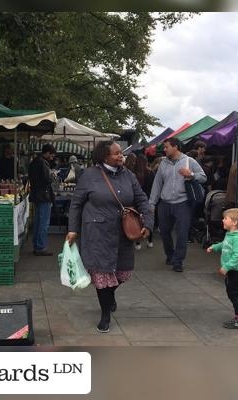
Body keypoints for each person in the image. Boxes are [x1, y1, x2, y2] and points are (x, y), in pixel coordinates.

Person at [66, 141, 153, 333]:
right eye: (116, 153)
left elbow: (142, 199)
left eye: (121, 153)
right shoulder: (89, 175)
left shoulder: (128, 175)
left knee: (123, 273)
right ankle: (105, 314)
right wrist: (73, 229)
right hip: (97, 234)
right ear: (104, 156)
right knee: (102, 274)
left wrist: (147, 223)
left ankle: (110, 294)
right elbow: (76, 204)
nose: (121, 156)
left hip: (124, 233)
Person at [149, 138, 206, 272]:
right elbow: (157, 184)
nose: (164, 149)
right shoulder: (163, 163)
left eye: (167, 147)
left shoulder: (189, 161)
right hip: (165, 203)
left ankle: (178, 261)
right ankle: (170, 255)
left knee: (182, 233)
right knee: (164, 231)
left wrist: (191, 174)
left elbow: (203, 177)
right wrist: (151, 203)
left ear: (175, 147)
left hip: (183, 203)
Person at [206, 208, 238, 329]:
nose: (223, 220)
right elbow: (224, 244)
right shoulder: (230, 235)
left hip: (235, 271)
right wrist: (214, 247)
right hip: (232, 271)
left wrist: (226, 267)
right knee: (232, 292)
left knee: (233, 293)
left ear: (234, 222)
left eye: (225, 218)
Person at [28, 144, 57, 256]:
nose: (52, 157)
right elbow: (47, 179)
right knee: (43, 223)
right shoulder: (43, 163)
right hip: (43, 196)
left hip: (36, 195)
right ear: (48, 152)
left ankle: (37, 245)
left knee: (37, 222)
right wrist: (53, 175)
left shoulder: (34, 161)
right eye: (52, 155)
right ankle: (40, 247)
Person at [134, 154, 155, 249]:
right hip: (148, 198)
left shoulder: (132, 173)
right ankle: (150, 241)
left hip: (135, 200)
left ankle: (138, 242)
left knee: (137, 221)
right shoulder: (150, 173)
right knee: (148, 219)